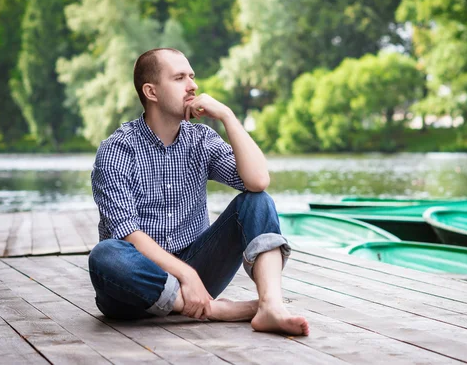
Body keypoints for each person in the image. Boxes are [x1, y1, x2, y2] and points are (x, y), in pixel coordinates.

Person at [88, 47, 309, 336]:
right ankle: (217, 310)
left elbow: (257, 181)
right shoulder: (117, 150)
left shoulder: (202, 139)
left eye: (192, 76)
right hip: (133, 291)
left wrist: (228, 117)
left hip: (200, 278)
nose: (192, 86)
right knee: (105, 255)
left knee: (257, 201)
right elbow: (127, 232)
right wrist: (185, 274)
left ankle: (270, 306)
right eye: (179, 78)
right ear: (151, 92)